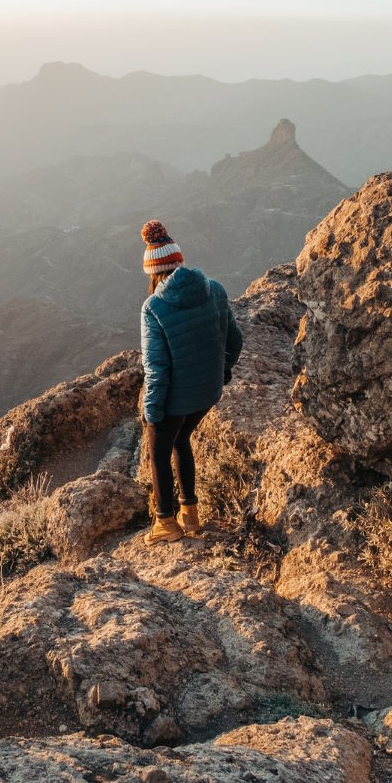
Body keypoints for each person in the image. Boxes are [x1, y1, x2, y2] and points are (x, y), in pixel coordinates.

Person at [139, 219, 242, 545]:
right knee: (181, 440)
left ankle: (166, 522)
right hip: (208, 393)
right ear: (179, 263)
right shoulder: (215, 289)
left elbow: (156, 370)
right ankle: (191, 515)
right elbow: (234, 341)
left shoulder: (153, 307)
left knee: (159, 448)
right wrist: (221, 372)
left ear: (154, 273)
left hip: (177, 399)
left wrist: (151, 412)